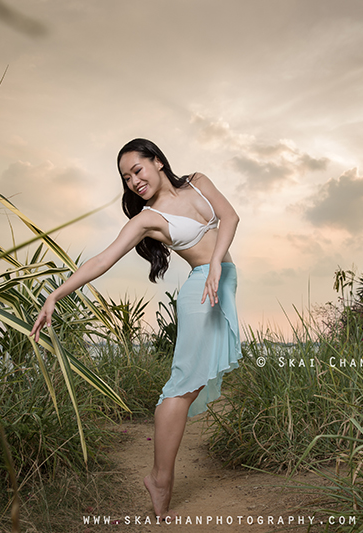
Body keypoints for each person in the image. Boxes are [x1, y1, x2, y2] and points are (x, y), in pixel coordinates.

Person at [29, 138, 242, 519]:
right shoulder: (147, 219)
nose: (133, 182)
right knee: (182, 386)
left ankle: (161, 476)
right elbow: (103, 259)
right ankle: (160, 478)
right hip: (200, 293)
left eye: (137, 171)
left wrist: (216, 266)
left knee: (187, 387)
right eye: (126, 178)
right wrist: (55, 295)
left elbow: (230, 217)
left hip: (217, 281)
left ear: (157, 161)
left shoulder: (198, 181)